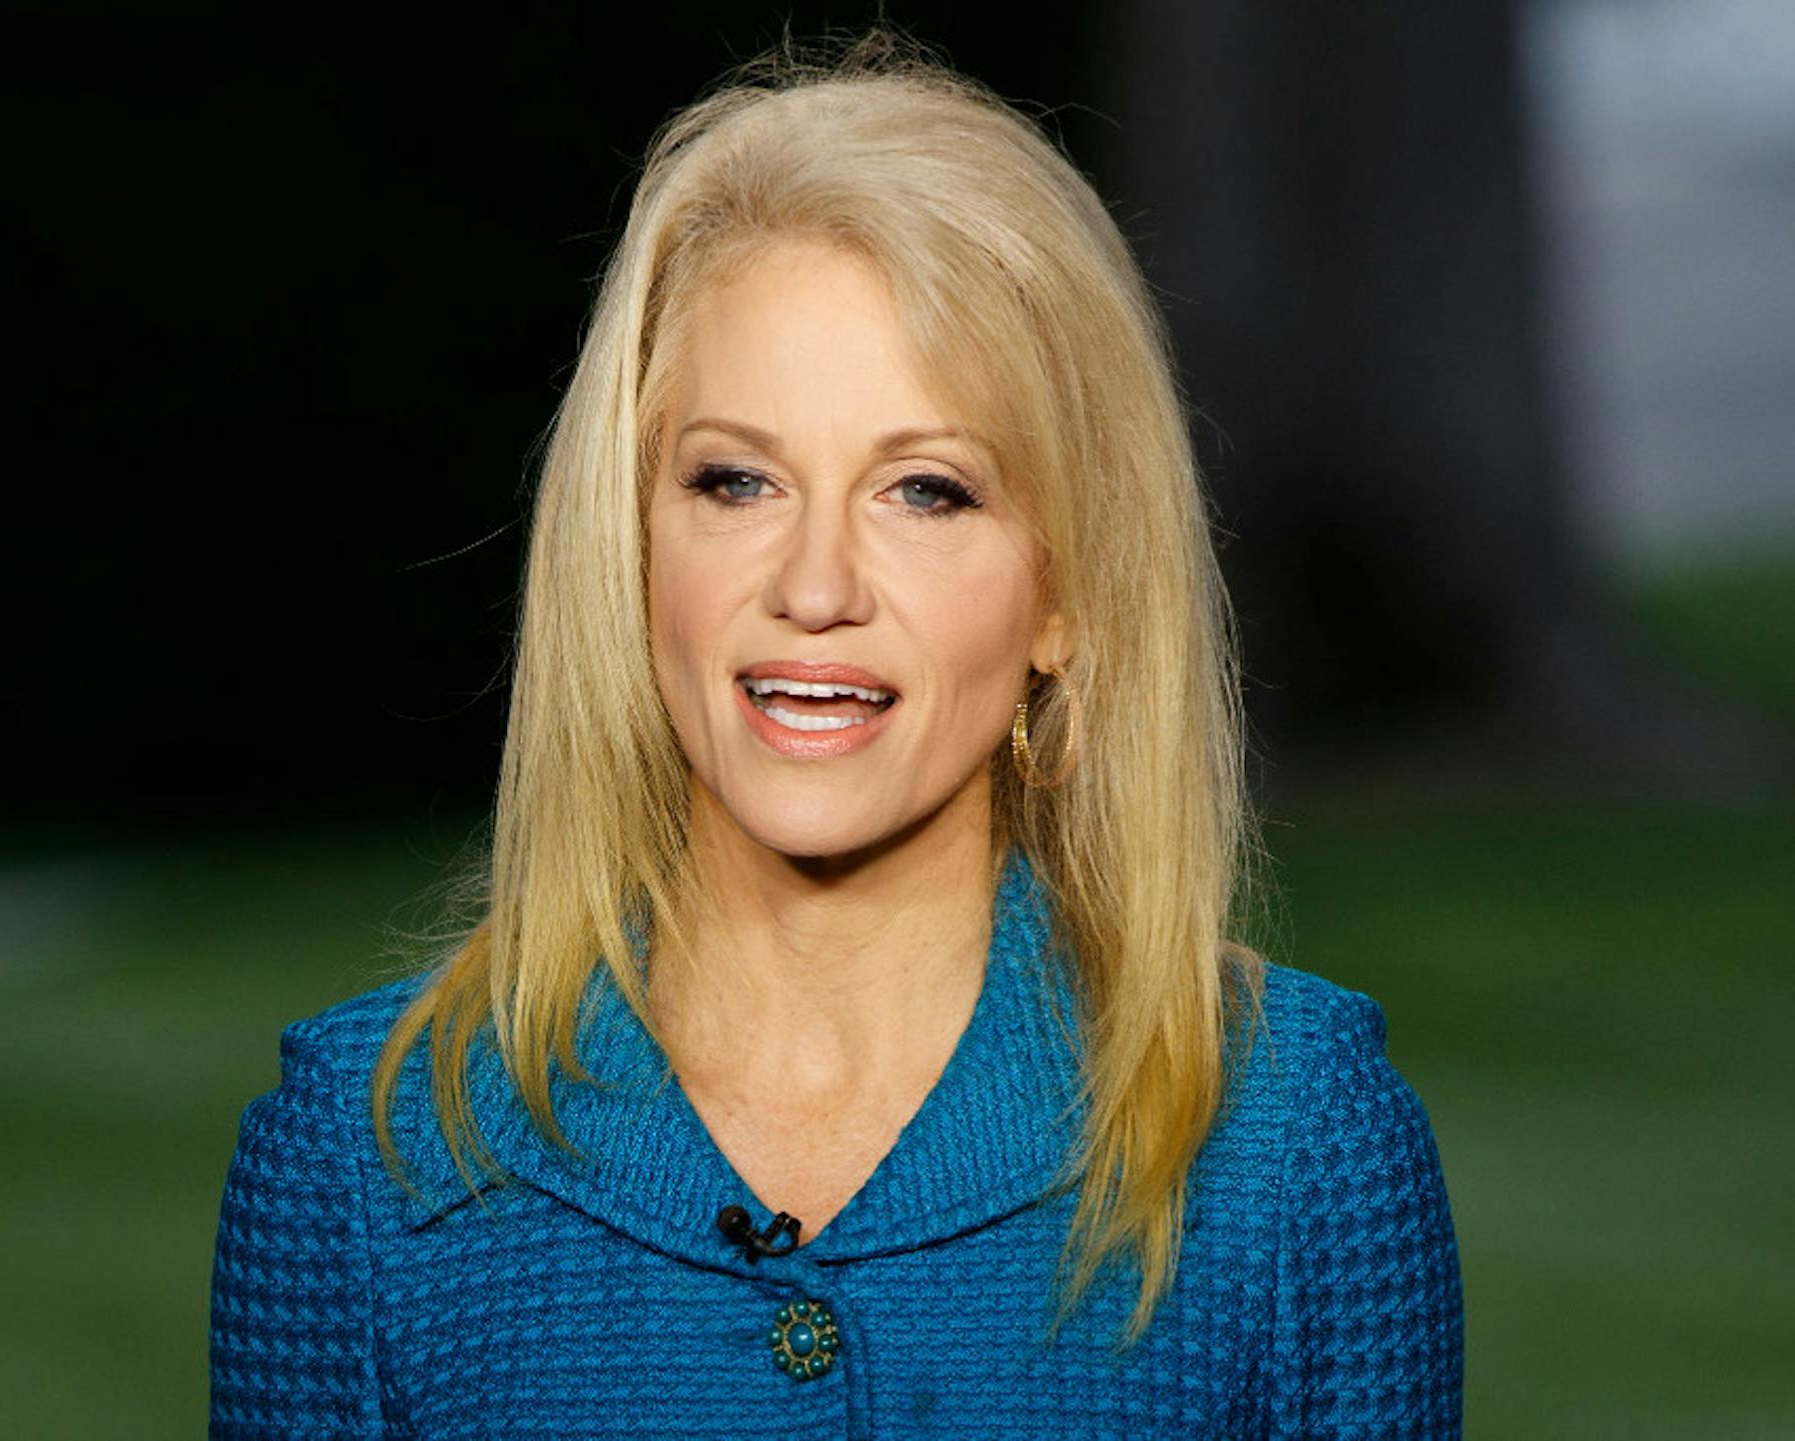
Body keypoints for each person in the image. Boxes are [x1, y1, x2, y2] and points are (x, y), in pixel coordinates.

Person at [209, 33, 1462, 1439]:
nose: (813, 587)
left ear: (1072, 590)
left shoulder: (1296, 1147)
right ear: (628, 545)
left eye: (925, 491)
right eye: (736, 480)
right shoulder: (360, 1162)